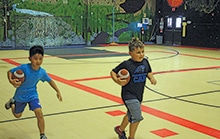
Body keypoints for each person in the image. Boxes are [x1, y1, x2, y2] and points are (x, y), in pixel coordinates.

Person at [5, 45, 63, 139]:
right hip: (20, 96)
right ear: (29, 58)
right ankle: (12, 103)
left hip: (33, 95)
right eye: (35, 58)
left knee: (39, 112)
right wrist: (11, 81)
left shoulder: (42, 72)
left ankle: (42, 135)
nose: (38, 61)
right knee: (17, 115)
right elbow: (9, 71)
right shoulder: (24, 68)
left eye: (40, 58)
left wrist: (57, 91)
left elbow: (50, 80)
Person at [110, 37, 157, 139]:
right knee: (137, 117)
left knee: (130, 114)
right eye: (138, 52)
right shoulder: (127, 64)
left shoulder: (145, 62)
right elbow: (113, 72)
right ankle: (132, 137)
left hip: (139, 94)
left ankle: (120, 130)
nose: (141, 54)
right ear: (130, 53)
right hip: (128, 95)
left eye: (142, 52)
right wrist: (117, 80)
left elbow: (148, 71)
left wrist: (151, 78)